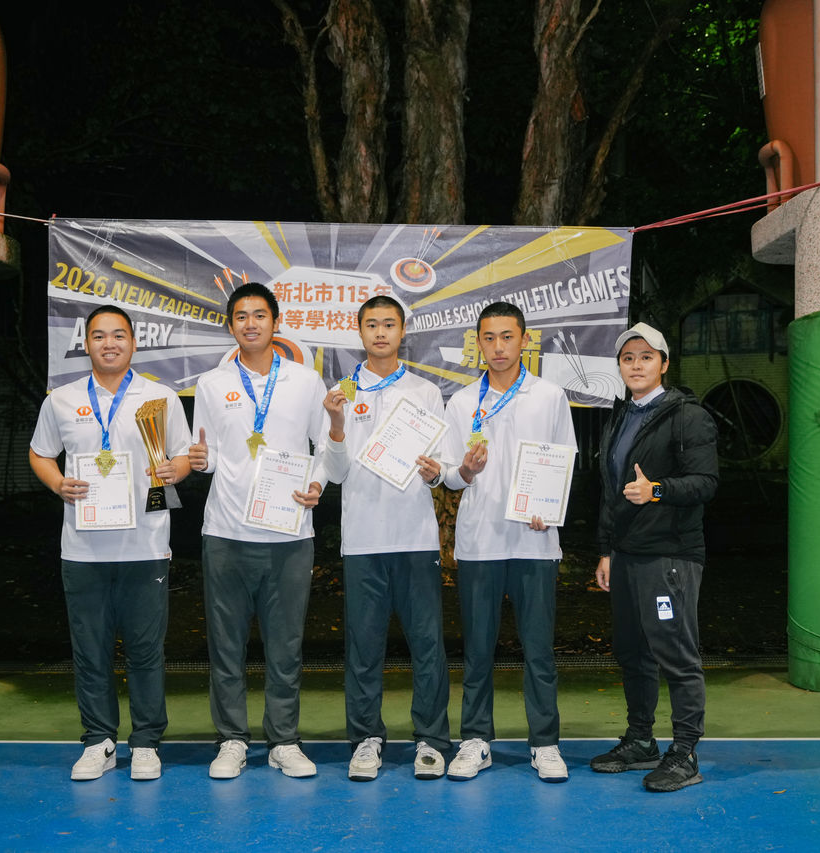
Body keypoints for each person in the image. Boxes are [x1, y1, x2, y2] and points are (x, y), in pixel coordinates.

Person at [29, 304, 192, 782]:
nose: (109, 343)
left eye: (118, 335)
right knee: (90, 650)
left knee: (145, 651)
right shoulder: (61, 399)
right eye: (99, 336)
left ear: (133, 343)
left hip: (146, 546)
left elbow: (183, 458)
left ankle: (145, 742)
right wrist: (58, 483)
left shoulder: (160, 398)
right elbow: (40, 454)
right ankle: (98, 740)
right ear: (86, 344)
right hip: (83, 549)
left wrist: (175, 470)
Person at [188, 282, 329, 780]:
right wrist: (199, 460)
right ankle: (231, 740)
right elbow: (206, 454)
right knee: (226, 646)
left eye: (259, 315)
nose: (251, 324)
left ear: (276, 322)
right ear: (231, 325)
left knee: (286, 646)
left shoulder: (306, 381)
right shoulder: (211, 384)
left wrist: (316, 483)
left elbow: (326, 446)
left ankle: (283, 741)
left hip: (289, 534)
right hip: (226, 533)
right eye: (241, 316)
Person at [439, 301, 575, 783]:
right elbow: (449, 476)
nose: (498, 347)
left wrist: (549, 506)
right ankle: (476, 740)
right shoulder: (461, 402)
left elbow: (564, 459)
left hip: (535, 543)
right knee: (478, 650)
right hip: (480, 543)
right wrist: (465, 470)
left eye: (507, 337)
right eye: (489, 338)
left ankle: (545, 743)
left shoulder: (549, 396)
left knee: (539, 650)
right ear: (478, 343)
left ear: (524, 340)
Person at [320, 295, 451, 782]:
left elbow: (440, 468)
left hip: (416, 538)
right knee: (363, 646)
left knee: (427, 645)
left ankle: (432, 740)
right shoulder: (340, 392)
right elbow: (335, 473)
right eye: (372, 325)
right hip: (363, 540)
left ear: (402, 332)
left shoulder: (425, 392)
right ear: (359, 332)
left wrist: (436, 472)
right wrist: (336, 424)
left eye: (389, 324)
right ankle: (365, 739)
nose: (380, 333)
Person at [591, 321, 718, 792]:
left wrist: (657, 490)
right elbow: (611, 492)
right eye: (628, 358)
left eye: (646, 357)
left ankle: (684, 752)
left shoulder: (688, 416)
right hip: (627, 555)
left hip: (670, 555)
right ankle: (641, 740)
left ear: (664, 364)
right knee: (633, 653)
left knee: (676, 654)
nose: (636, 365)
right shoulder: (622, 415)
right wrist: (606, 550)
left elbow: (705, 482)